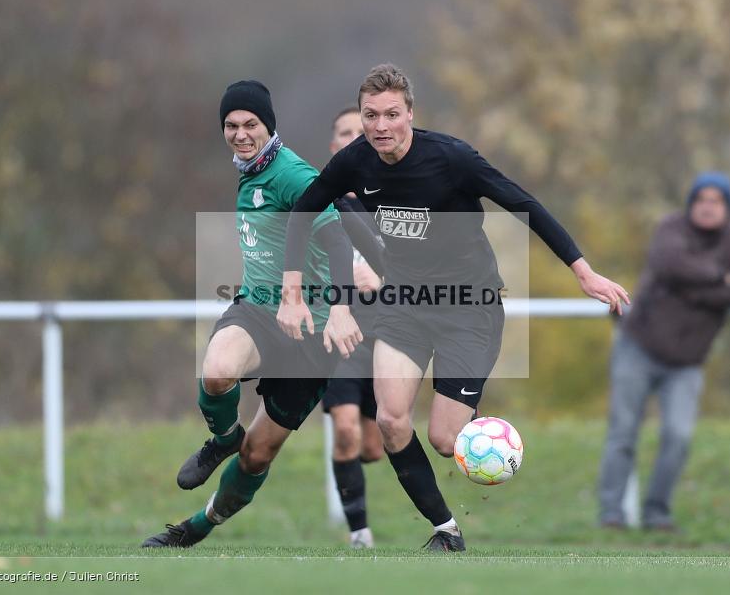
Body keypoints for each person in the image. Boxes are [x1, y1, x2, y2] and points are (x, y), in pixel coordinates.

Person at [278, 64, 630, 551]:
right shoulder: (355, 162)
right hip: (404, 302)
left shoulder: (451, 158)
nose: (380, 126)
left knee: (446, 440)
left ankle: (484, 428)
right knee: (390, 419)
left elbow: (522, 201)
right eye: (370, 116)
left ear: (410, 114)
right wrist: (291, 289)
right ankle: (446, 531)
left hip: (469, 306)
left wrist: (583, 271)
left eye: (391, 115)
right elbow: (302, 210)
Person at [142, 80, 362, 548]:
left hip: (312, 332)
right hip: (259, 311)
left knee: (257, 455)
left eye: (251, 125)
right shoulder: (250, 171)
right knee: (217, 372)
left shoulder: (292, 175)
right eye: (231, 125)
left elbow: (338, 240)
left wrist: (341, 307)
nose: (240, 134)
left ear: (269, 126)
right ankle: (223, 437)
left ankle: (195, 528)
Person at [597, 172, 730, 531]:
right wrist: (720, 278)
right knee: (623, 432)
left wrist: (695, 289)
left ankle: (657, 513)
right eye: (701, 199)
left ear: (727, 208)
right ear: (691, 204)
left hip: (687, 363)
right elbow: (670, 264)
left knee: (679, 435)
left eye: (716, 201)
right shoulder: (671, 228)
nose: (707, 206)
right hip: (638, 347)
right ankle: (611, 514)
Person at [321, 107, 384, 549]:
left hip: (388, 334)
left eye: (358, 134)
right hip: (340, 334)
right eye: (344, 133)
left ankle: (356, 485)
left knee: (374, 447)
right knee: (345, 429)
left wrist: (383, 278)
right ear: (333, 144)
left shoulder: (391, 194)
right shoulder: (317, 198)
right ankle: (360, 534)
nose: (351, 140)